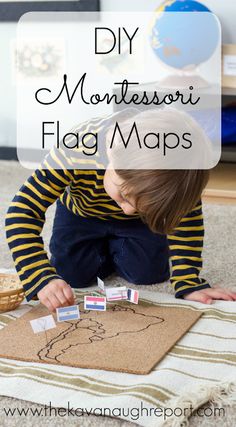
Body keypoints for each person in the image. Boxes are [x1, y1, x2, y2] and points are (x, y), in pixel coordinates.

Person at [5, 108, 236, 312]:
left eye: (137, 204)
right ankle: (102, 250)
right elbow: (22, 211)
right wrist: (41, 277)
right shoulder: (77, 145)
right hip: (81, 213)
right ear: (113, 152)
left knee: (149, 275)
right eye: (124, 195)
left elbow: (187, 222)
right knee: (70, 276)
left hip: (140, 224)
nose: (126, 209)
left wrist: (189, 282)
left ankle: (117, 243)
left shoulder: (176, 181)